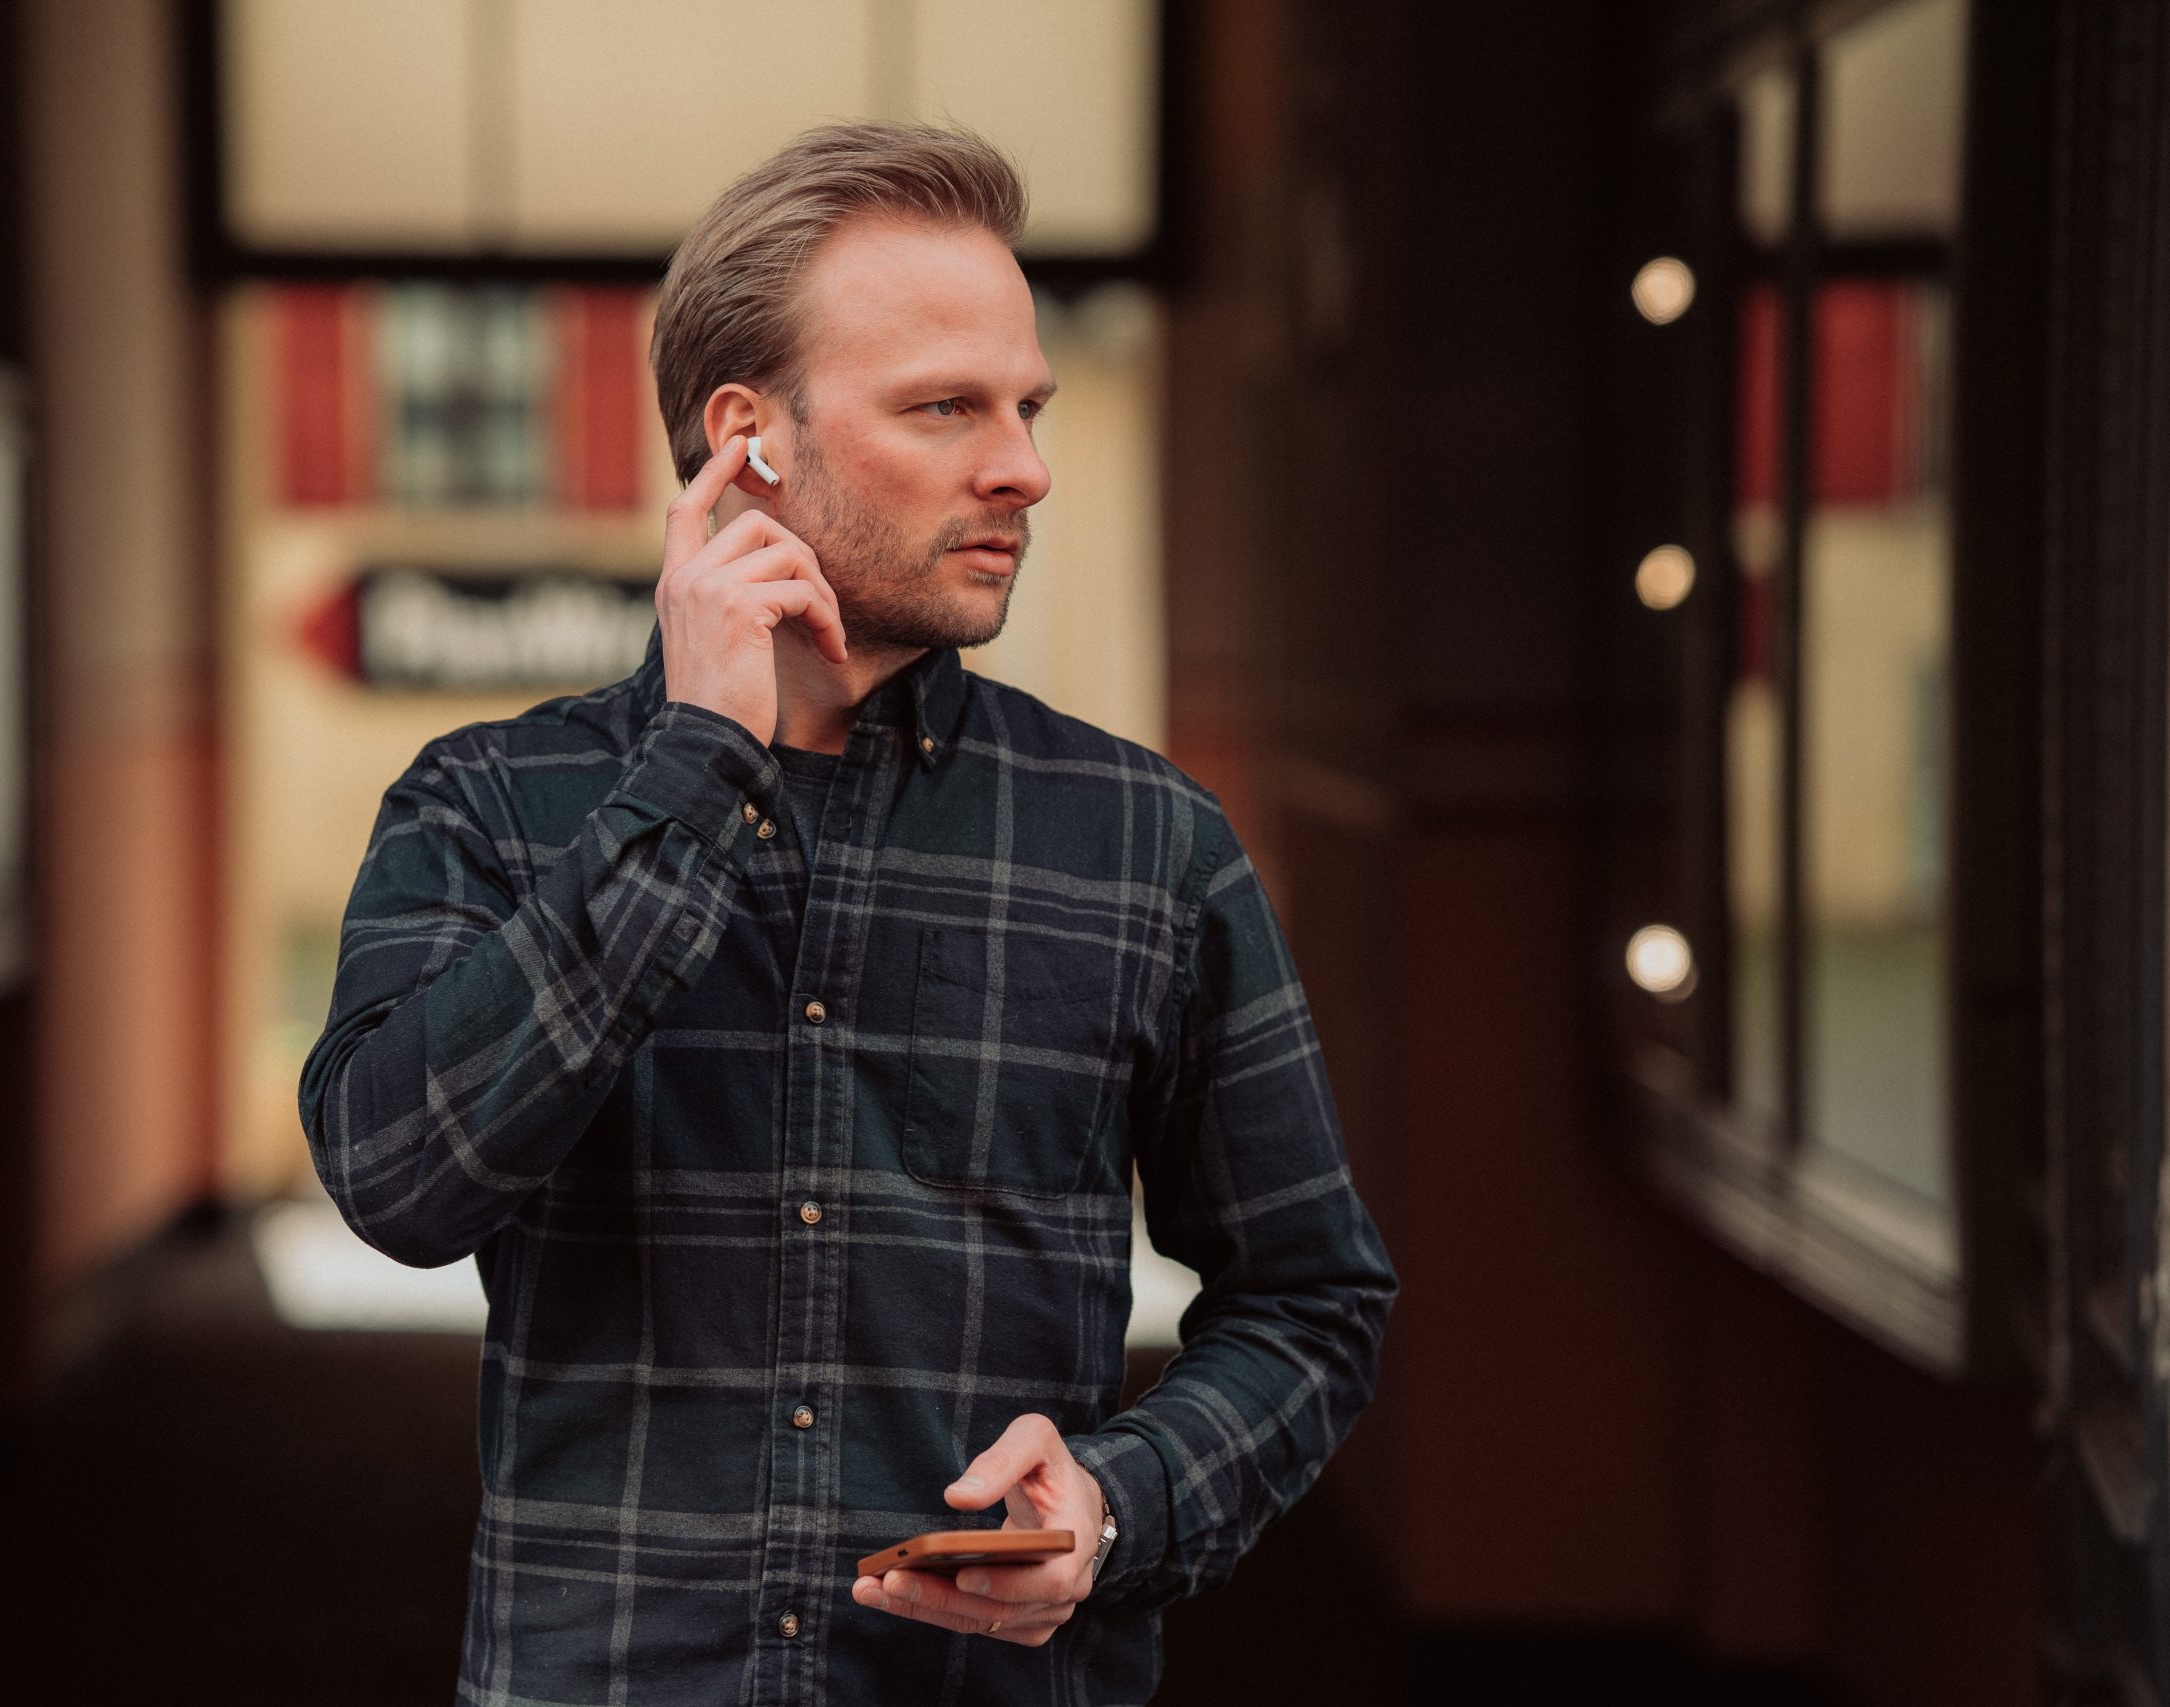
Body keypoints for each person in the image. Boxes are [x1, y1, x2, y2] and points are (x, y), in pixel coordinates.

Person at [300, 120, 1396, 1706]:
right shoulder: (488, 807)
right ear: (745, 440)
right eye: (947, 406)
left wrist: (1114, 1503)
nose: (1022, 464)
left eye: (1027, 407)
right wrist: (695, 772)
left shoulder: (1149, 847)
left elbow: (1314, 1301)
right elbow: (398, 1183)